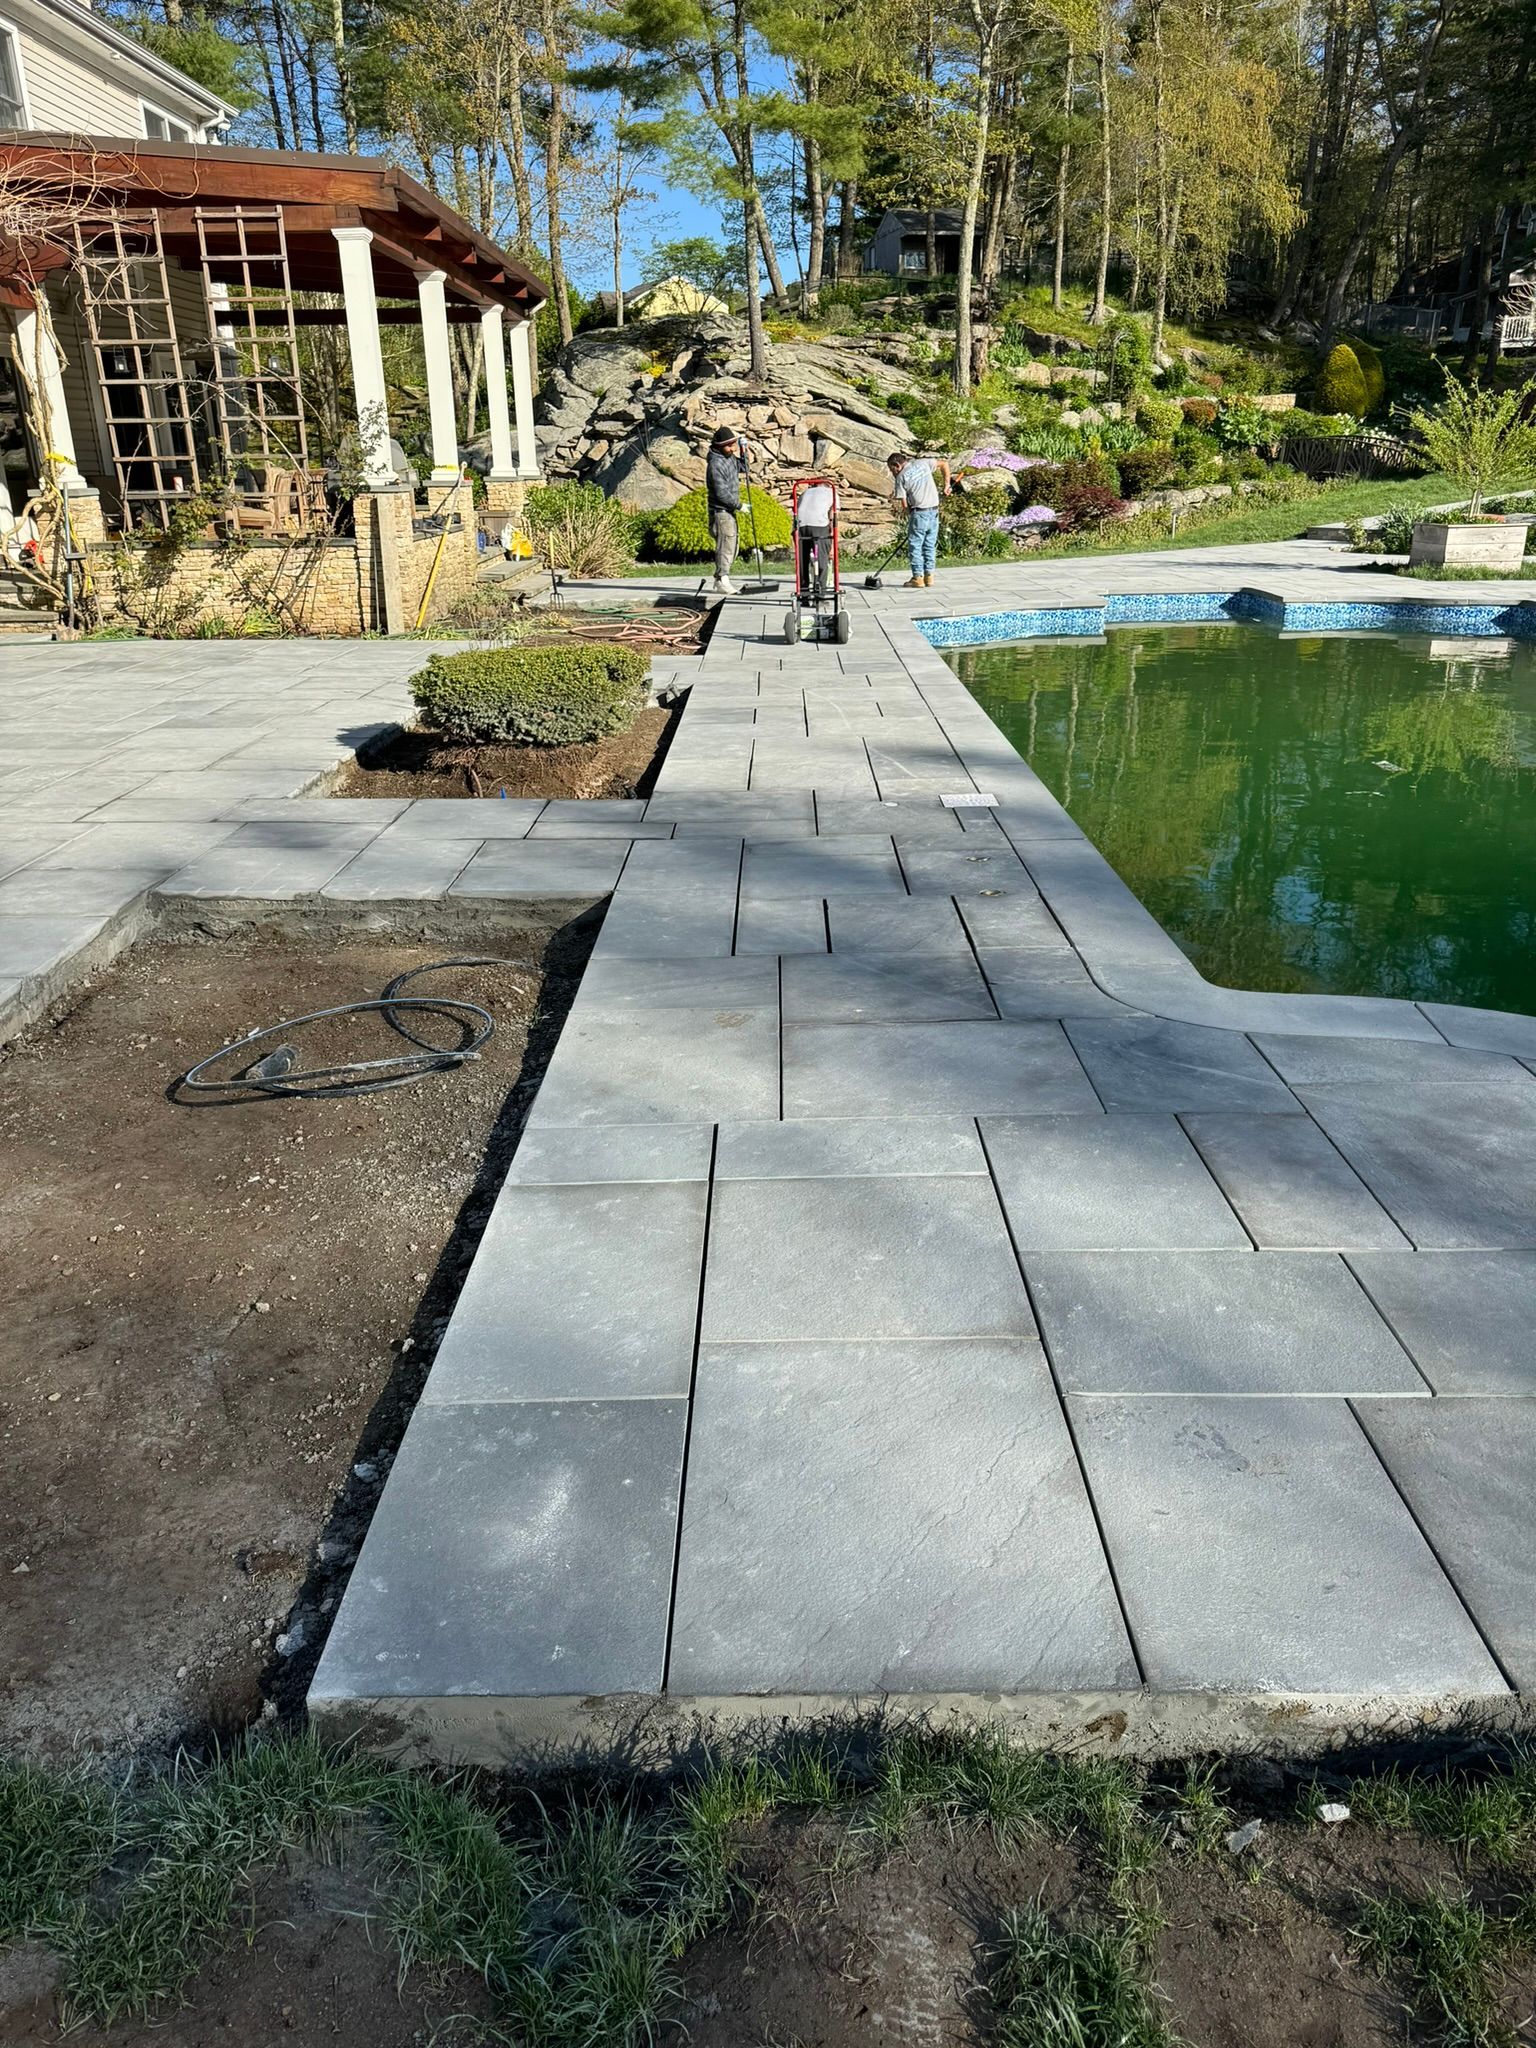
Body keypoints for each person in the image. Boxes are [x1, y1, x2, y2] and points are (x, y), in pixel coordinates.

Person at [887, 449, 952, 588]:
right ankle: (929, 576)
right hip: (934, 511)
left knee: (915, 546)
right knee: (929, 545)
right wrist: (947, 485)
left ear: (896, 465)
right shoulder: (923, 463)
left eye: (891, 469)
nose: (892, 473)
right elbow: (944, 464)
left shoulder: (901, 477)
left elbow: (904, 505)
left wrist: (909, 514)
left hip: (919, 513)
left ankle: (918, 577)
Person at [706, 427, 749, 594]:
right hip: (721, 512)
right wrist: (739, 505)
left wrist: (745, 451)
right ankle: (722, 580)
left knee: (732, 545)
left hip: (729, 512)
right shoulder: (715, 464)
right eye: (729, 446)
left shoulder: (729, 457)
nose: (732, 449)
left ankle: (720, 580)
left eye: (733, 445)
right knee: (725, 545)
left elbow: (744, 468)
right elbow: (721, 493)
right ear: (718, 446)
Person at [795, 476, 836, 599]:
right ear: (827, 485)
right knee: (822, 558)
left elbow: (797, 510)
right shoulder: (831, 491)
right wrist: (832, 545)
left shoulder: (805, 492)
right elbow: (832, 517)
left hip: (801, 526)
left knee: (803, 561)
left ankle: (803, 592)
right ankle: (820, 592)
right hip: (819, 525)